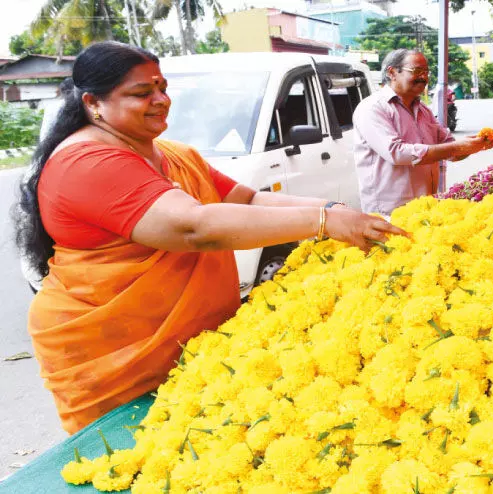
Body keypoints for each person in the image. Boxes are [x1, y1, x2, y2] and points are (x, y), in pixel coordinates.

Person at [13, 41, 406, 433]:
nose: (160, 100)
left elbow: (247, 200)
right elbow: (193, 228)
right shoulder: (86, 162)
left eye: (162, 88)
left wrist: (335, 210)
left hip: (194, 348)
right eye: (142, 93)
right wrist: (323, 222)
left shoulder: (174, 154)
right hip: (116, 352)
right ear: (93, 103)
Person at [352, 49, 492, 217]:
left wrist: (474, 145)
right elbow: (397, 153)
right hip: (389, 214)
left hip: (426, 209)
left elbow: (449, 149)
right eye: (417, 71)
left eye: (426, 72)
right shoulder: (372, 108)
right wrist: (457, 147)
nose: (424, 77)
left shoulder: (424, 110)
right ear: (392, 72)